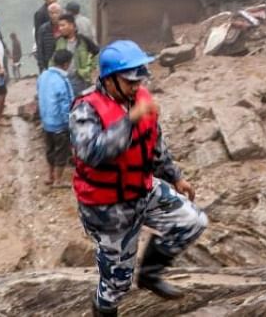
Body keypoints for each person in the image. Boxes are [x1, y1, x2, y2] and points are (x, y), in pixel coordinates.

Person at [71, 40, 207, 316]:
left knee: (192, 222)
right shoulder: (85, 109)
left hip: (143, 189)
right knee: (116, 286)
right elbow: (93, 152)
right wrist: (129, 120)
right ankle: (103, 307)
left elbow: (154, 143)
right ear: (109, 79)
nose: (136, 86)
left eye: (139, 78)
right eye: (129, 80)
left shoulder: (140, 99)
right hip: (108, 206)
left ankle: (150, 274)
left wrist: (175, 177)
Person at [39, 49, 76, 188]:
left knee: (50, 149)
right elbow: (65, 105)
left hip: (46, 122)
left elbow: (41, 95)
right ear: (66, 64)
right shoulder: (62, 81)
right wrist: (69, 122)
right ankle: (58, 181)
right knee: (61, 152)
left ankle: (50, 176)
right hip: (59, 124)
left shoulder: (43, 75)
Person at [54, 13, 99, 90]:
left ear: (72, 25)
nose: (60, 28)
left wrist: (88, 69)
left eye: (63, 25)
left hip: (81, 78)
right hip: (63, 78)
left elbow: (96, 53)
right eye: (59, 26)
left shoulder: (83, 40)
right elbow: (53, 59)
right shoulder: (58, 41)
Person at [35, 2, 63, 74]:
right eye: (51, 13)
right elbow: (40, 48)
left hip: (63, 64)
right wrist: (42, 67)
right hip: (48, 64)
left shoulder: (65, 27)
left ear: (61, 13)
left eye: (56, 13)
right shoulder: (43, 29)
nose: (54, 15)